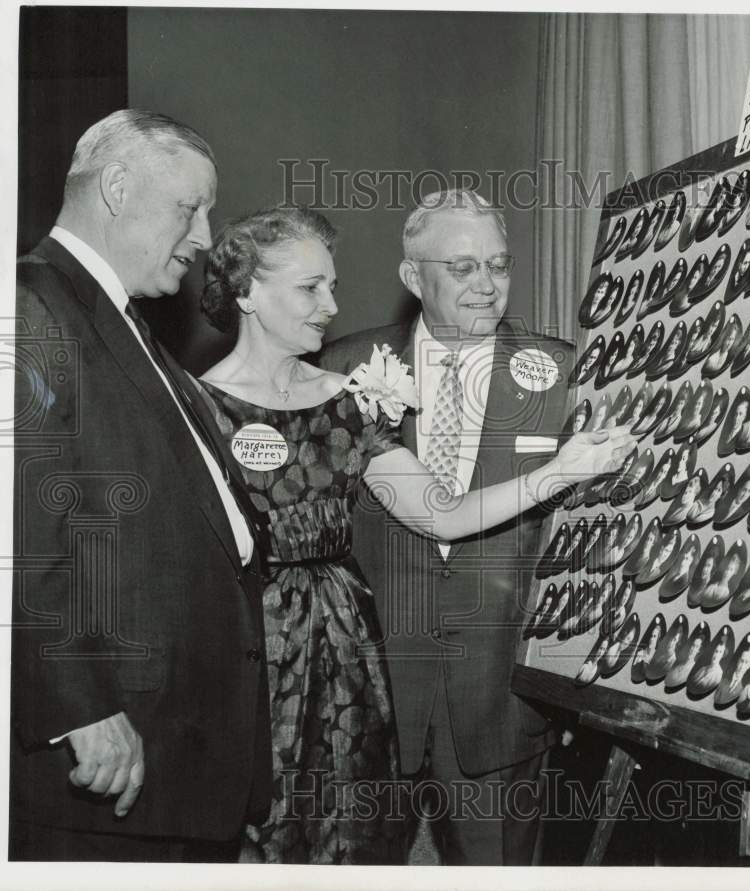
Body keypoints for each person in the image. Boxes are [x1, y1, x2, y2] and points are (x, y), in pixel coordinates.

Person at [180, 192, 623, 864]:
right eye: (463, 266)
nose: (486, 284)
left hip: (497, 704)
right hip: (349, 686)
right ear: (415, 278)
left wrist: (567, 685)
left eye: (499, 266)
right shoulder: (345, 369)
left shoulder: (564, 371)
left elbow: (467, 515)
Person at [10, 109, 273, 862]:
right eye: (191, 207)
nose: (203, 236)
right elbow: (19, 532)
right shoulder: (32, 306)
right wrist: (80, 708)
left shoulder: (122, 320)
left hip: (174, 769)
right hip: (107, 766)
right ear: (118, 187)